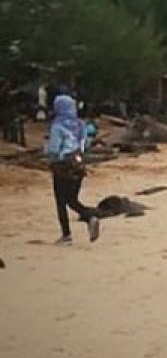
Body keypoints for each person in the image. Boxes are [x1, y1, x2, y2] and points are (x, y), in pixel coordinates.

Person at [44, 94, 101, 245]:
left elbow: (54, 149)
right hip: (79, 165)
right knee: (72, 199)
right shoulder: (80, 124)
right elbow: (86, 144)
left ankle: (66, 235)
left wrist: (48, 156)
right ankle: (89, 217)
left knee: (61, 202)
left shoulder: (57, 125)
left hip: (63, 166)